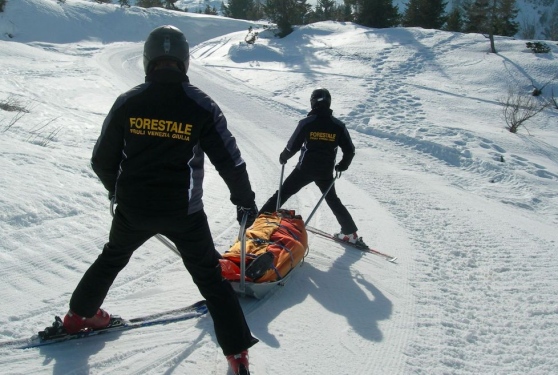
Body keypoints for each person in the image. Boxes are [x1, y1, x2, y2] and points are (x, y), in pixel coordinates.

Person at [62, 25, 258, 375]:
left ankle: (78, 317)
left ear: (147, 60)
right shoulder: (200, 104)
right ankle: (237, 355)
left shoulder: (129, 101)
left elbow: (101, 160)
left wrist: (116, 190)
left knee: (113, 257)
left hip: (133, 210)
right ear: (183, 61)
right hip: (183, 213)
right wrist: (244, 200)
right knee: (211, 280)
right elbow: (230, 159)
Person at [259, 88, 366, 247]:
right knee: (332, 200)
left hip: (304, 170)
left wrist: (284, 157)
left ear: (313, 102)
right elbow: (349, 150)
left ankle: (259, 220)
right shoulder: (338, 125)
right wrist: (342, 166)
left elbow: (292, 146)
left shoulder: (307, 123)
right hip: (325, 172)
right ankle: (350, 233)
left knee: (283, 192)